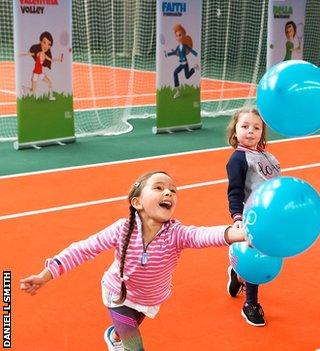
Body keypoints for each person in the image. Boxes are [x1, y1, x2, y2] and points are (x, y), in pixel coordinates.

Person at [20, 171, 248, 351]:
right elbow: (82, 249)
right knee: (134, 347)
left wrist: (240, 233)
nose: (168, 193)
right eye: (158, 188)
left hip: (149, 300)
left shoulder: (176, 233)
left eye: (172, 190)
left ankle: (114, 335)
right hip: (117, 296)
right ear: (137, 202)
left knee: (126, 330)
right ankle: (120, 337)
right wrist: (45, 274)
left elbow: (204, 235)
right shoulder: (123, 229)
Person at [224, 108, 281, 325]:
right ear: (235, 130)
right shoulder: (238, 159)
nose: (250, 131)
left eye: (256, 127)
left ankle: (237, 274)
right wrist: (238, 218)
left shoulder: (267, 155)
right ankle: (250, 303)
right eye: (245, 126)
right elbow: (235, 191)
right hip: (252, 217)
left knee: (266, 254)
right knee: (258, 258)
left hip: (272, 216)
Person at [21, 31, 62, 100]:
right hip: (35, 74)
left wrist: (59, 59)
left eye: (49, 44)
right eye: (44, 42)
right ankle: (24, 88)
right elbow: (30, 54)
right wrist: (24, 54)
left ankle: (51, 96)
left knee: (49, 83)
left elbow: (51, 60)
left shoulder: (45, 55)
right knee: (33, 90)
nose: (46, 46)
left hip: (40, 73)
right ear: (40, 42)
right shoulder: (38, 53)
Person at [164, 24, 198, 99]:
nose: (178, 37)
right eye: (177, 36)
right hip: (181, 63)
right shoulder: (178, 47)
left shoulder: (185, 46)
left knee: (187, 76)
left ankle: (194, 68)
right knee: (175, 72)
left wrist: (196, 54)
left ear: (183, 35)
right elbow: (174, 53)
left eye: (180, 35)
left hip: (185, 63)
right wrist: (167, 54)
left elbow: (190, 49)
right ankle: (178, 90)